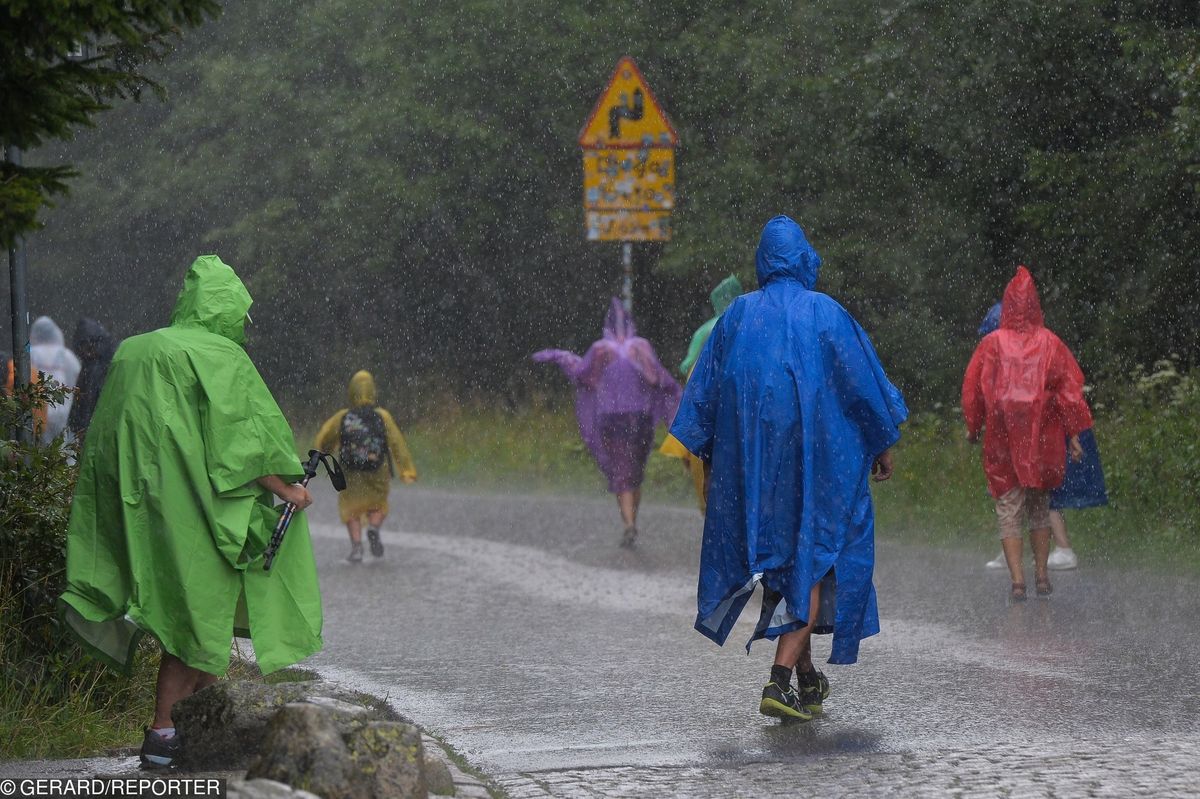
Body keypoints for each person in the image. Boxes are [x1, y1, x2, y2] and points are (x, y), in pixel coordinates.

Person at [59, 255, 323, 769]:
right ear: (228, 309)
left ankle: (196, 726)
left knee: (187, 614)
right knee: (196, 618)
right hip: (195, 509)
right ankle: (163, 736)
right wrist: (286, 489)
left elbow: (105, 431)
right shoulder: (219, 355)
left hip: (136, 506)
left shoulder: (135, 351)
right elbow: (239, 444)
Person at [671, 216, 907, 722]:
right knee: (814, 557)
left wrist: (712, 468)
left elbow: (705, 399)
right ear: (804, 259)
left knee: (781, 557)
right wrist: (883, 442)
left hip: (755, 469)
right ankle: (778, 680)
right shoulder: (825, 313)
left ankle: (806, 677)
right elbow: (862, 384)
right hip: (818, 462)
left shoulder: (737, 318)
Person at [962, 266, 1093, 601]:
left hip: (1002, 441)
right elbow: (1069, 392)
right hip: (1044, 441)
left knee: (1008, 508)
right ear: (1036, 305)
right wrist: (1074, 435)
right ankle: (1042, 575)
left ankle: (1018, 581)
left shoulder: (992, 344)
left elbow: (974, 390)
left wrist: (973, 426)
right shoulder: (1051, 344)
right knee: (1039, 506)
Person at [534, 298, 681, 547]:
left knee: (620, 471)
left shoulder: (601, 350)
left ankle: (628, 524)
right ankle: (632, 520)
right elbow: (658, 378)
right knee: (635, 471)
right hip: (639, 418)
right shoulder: (641, 348)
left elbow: (583, 374)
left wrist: (560, 356)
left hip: (611, 419)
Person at [977, 302, 1108, 571]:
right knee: (1024, 491)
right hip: (1039, 435)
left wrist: (1072, 434)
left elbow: (1061, 393)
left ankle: (1062, 547)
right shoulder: (1038, 347)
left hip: (1048, 434)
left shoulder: (1037, 351)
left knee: (1041, 492)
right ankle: (1016, 546)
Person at [314, 370, 418, 563]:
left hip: (349, 470)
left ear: (351, 391)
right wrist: (406, 470)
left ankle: (356, 548)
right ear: (373, 391)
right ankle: (373, 528)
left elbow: (325, 439)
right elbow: (397, 443)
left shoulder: (343, 417)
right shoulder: (383, 416)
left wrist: (323, 451)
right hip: (377, 468)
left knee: (350, 507)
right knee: (378, 504)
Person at [661, 275, 743, 513]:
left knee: (698, 447)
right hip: (746, 401)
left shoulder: (706, 330)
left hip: (707, 399)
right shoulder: (754, 321)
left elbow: (686, 365)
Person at [29, 315, 81, 444]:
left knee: (42, 453)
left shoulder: (31, 353)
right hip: (64, 412)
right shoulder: (66, 354)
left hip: (40, 411)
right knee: (63, 449)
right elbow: (77, 378)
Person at [66, 318, 119, 444]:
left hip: (98, 428)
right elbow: (83, 398)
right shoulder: (91, 365)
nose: (85, 352)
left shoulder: (100, 366)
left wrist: (79, 424)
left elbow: (88, 398)